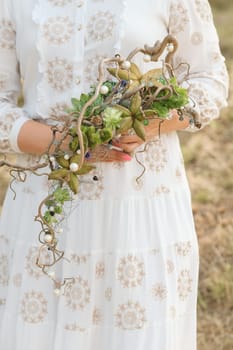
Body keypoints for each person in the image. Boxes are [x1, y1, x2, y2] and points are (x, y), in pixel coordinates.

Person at [0, 0, 228, 349]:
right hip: (44, 211)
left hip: (140, 210)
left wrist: (150, 124)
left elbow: (209, 80)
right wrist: (63, 142)